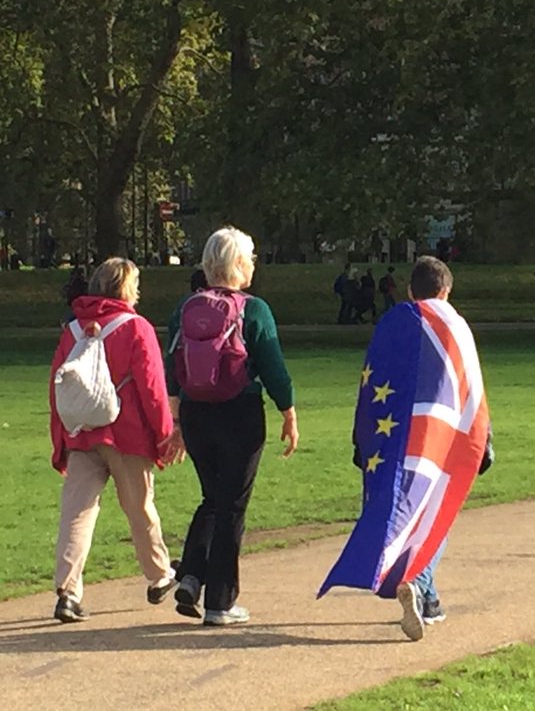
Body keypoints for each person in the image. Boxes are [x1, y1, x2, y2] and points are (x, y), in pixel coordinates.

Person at [326, 256, 491, 641]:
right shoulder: (456, 326)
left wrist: (361, 436)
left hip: (394, 434)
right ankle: (420, 583)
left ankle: (422, 591)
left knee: (400, 506)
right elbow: (470, 388)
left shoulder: (393, 324)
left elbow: (373, 381)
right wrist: (486, 438)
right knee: (436, 510)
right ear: (447, 291)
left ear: (410, 290)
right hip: (442, 435)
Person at [167, 226, 299, 626]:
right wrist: (288, 411)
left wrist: (175, 420)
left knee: (213, 497)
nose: (253, 265)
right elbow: (273, 365)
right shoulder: (253, 310)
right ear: (238, 264)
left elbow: (173, 368)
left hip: (195, 414)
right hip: (239, 412)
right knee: (233, 505)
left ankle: (191, 575)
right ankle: (221, 602)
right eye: (251, 258)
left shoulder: (185, 308)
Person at [48, 257, 185, 623]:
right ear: (126, 288)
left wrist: (59, 440)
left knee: (76, 514)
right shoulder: (136, 328)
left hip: (80, 433)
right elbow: (152, 389)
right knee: (139, 508)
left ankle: (68, 590)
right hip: (127, 435)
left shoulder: (73, 329)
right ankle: (158, 576)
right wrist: (163, 434)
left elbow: (56, 390)